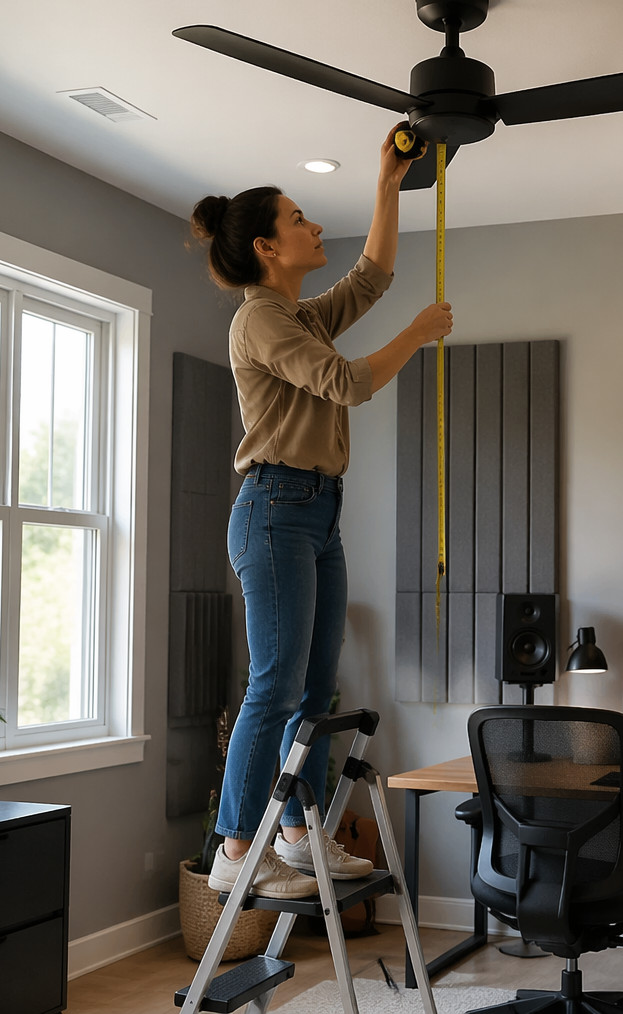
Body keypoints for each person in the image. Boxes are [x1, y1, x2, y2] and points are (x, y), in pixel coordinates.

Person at [188, 124, 452, 898]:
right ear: (268, 247)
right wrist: (419, 334)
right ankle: (237, 845)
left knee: (312, 691)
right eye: (298, 218)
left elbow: (371, 276)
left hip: (316, 511)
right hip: (273, 509)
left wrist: (387, 182)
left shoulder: (300, 315)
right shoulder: (259, 319)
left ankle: (299, 834)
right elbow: (347, 384)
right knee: (272, 686)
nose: (311, 226)